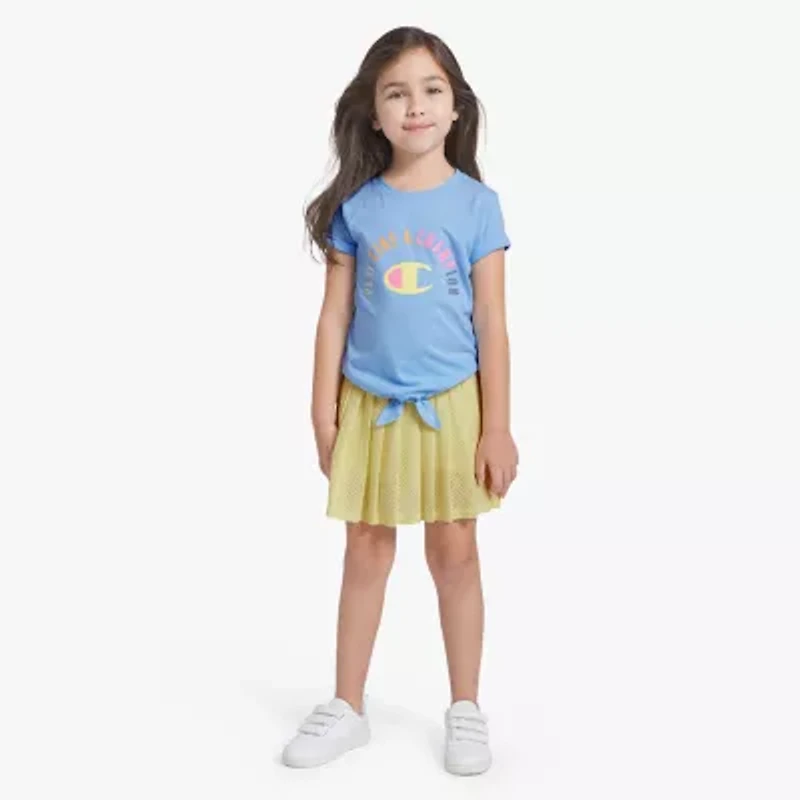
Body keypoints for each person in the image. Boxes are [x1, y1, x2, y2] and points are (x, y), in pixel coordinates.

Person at [281, 25, 518, 776]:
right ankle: (348, 705)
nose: (415, 105)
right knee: (365, 549)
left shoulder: (477, 206)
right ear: (374, 115)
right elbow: (334, 317)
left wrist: (498, 426)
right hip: (370, 403)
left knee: (455, 552)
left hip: (453, 404)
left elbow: (491, 320)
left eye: (431, 90)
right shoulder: (357, 208)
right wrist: (323, 412)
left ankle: (465, 706)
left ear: (456, 107)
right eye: (396, 93)